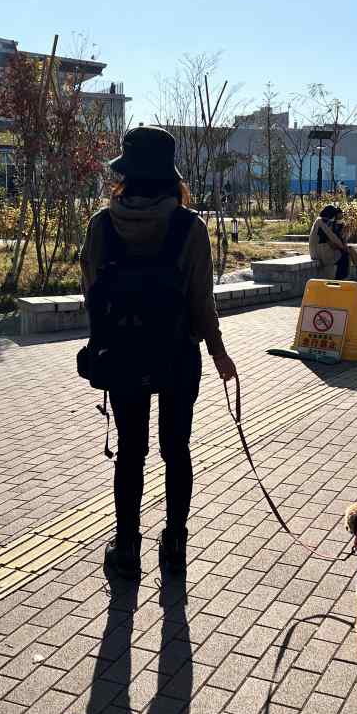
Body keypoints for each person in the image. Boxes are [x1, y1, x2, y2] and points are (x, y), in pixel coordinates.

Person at [80, 125, 237, 580]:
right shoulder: (190, 227)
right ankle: (175, 543)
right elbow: (201, 301)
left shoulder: (101, 225)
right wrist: (219, 353)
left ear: (125, 175)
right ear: (171, 177)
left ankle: (127, 547)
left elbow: (91, 293)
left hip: (123, 356)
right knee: (176, 451)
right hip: (176, 357)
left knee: (131, 453)